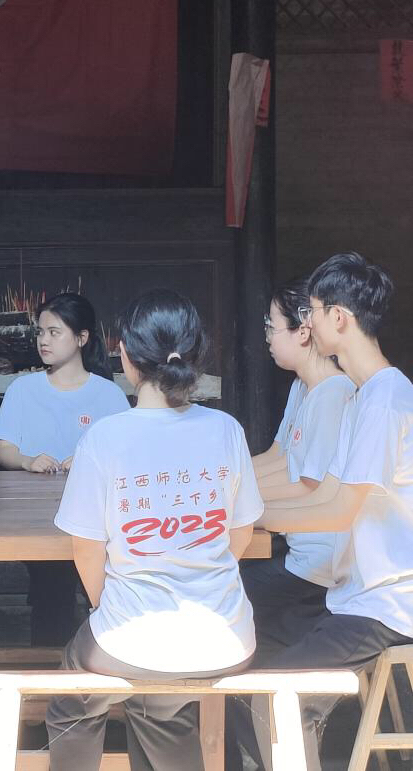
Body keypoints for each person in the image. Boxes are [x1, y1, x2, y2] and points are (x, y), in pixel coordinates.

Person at [46, 289, 261, 771]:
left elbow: (86, 550)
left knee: (70, 704)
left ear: (124, 354)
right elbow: (240, 534)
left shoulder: (105, 437)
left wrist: (108, 606)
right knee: (159, 706)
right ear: (196, 352)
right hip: (226, 639)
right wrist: (196, 573)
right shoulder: (226, 429)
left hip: (133, 638)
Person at [234, 252, 413, 771]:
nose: (305, 324)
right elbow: (325, 493)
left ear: (339, 317)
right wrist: (247, 513)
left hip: (387, 605)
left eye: (310, 312)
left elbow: (336, 511)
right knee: (249, 682)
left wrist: (249, 519)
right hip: (355, 596)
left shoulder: (384, 399)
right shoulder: (362, 396)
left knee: (276, 697)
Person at [0, 292, 129, 645]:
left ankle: (95, 655)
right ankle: (52, 662)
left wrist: (87, 463)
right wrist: (27, 460)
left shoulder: (108, 394)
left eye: (54, 332)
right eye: (40, 332)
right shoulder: (23, 388)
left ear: (81, 338)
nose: (44, 340)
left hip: (95, 520)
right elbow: (5, 450)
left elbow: (124, 458)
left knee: (97, 591)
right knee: (50, 592)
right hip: (35, 516)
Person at [241, 277, 355, 665]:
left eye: (271, 327)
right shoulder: (303, 386)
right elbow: (279, 457)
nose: (267, 338)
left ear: (303, 331)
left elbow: (309, 484)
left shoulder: (333, 393)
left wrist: (237, 502)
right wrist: (225, 481)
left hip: (319, 562)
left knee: (229, 593)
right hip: (297, 546)